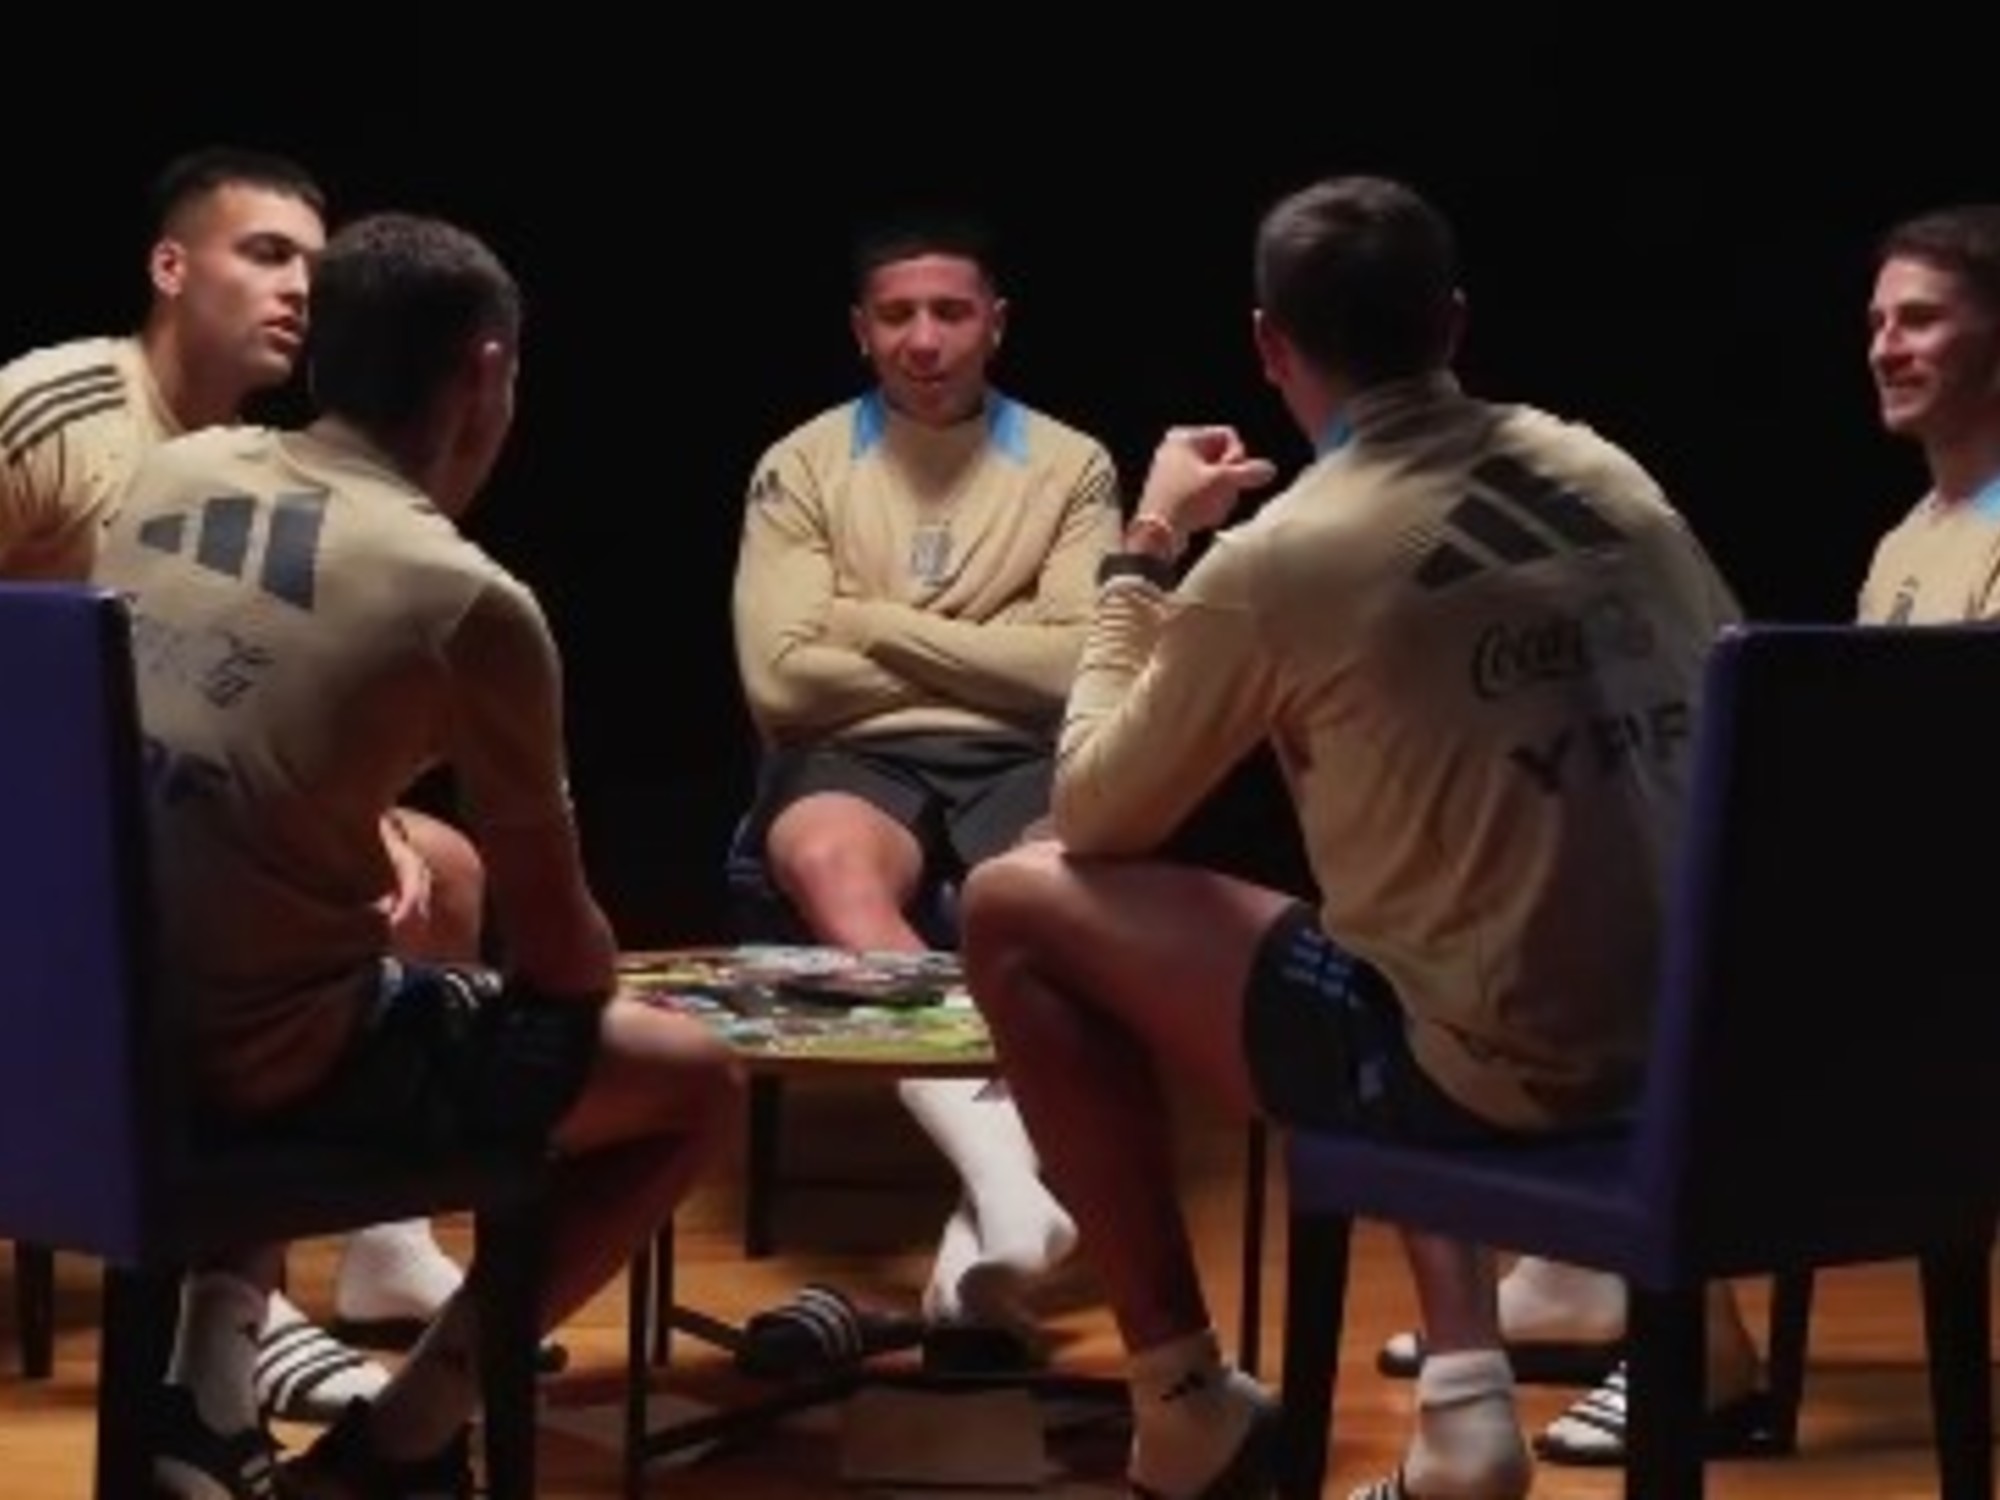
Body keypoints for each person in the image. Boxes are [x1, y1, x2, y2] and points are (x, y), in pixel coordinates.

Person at [957, 173, 1742, 1500]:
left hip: (1497, 1088)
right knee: (1390, 890)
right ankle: (1463, 1398)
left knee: (1012, 902)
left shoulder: (1286, 555)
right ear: (1453, 321)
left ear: (1269, 345)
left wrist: (1146, 546)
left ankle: (1184, 1403)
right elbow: (1728, 688)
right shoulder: (1602, 469)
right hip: (1705, 1058)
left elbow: (1091, 808)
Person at [97, 210, 742, 1498]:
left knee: (416, 880)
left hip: (81, 1036)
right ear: (485, 373)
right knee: (692, 1079)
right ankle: (410, 1432)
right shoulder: (464, 599)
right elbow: (558, 954)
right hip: (255, 1073)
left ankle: (210, 1389)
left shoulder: (173, 472)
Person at [1480, 197, 2000, 1470]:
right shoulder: (1907, 541)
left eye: (1919, 319)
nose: (1884, 346)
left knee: (1671, 965)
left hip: (1961, 959)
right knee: (1577, 915)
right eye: (1874, 321)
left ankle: (1681, 1337)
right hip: (1894, 926)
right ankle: (1604, 1280)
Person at [0, 143, 490, 1425]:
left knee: (441, 872)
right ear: (171, 267)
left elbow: (284, 694)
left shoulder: (274, 457)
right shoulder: (57, 408)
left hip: (184, 811)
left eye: (316, 268)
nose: (298, 289)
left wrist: (362, 814)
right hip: (47, 827)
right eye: (265, 254)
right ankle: (238, 1291)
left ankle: (383, 1245)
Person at [729, 211, 1122, 1351]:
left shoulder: (1072, 463)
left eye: (950, 312)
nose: (924, 339)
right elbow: (780, 679)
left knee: (1064, 888)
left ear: (995, 323)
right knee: (827, 860)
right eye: (897, 315)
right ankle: (1004, 1176)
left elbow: (1073, 666)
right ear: (861, 331)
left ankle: (976, 1254)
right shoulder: (801, 463)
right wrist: (989, 646)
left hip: (1021, 751)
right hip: (849, 748)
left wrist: (865, 623)